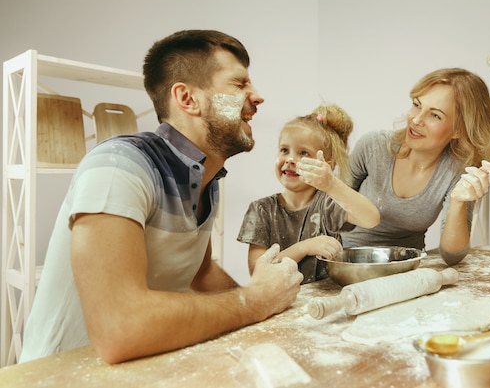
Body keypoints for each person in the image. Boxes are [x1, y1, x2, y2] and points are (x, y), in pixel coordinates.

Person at [20, 30, 303, 365]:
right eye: (239, 84)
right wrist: (253, 302)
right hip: (59, 377)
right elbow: (119, 328)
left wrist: (272, 303)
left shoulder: (206, 180)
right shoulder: (119, 166)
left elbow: (201, 275)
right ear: (187, 98)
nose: (257, 97)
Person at [341, 68, 490, 266]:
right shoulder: (373, 146)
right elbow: (329, 210)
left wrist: (458, 201)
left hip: (407, 264)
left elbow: (452, 256)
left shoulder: (458, 171)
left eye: (435, 115)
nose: (416, 120)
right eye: (417, 105)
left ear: (458, 130)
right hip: (346, 258)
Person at [238, 104, 380, 283]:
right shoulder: (261, 210)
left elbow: (371, 218)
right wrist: (304, 248)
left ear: (327, 165)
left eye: (303, 153)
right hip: (277, 302)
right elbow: (258, 271)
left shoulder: (327, 205)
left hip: (324, 300)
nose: (290, 159)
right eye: (284, 150)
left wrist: (331, 184)